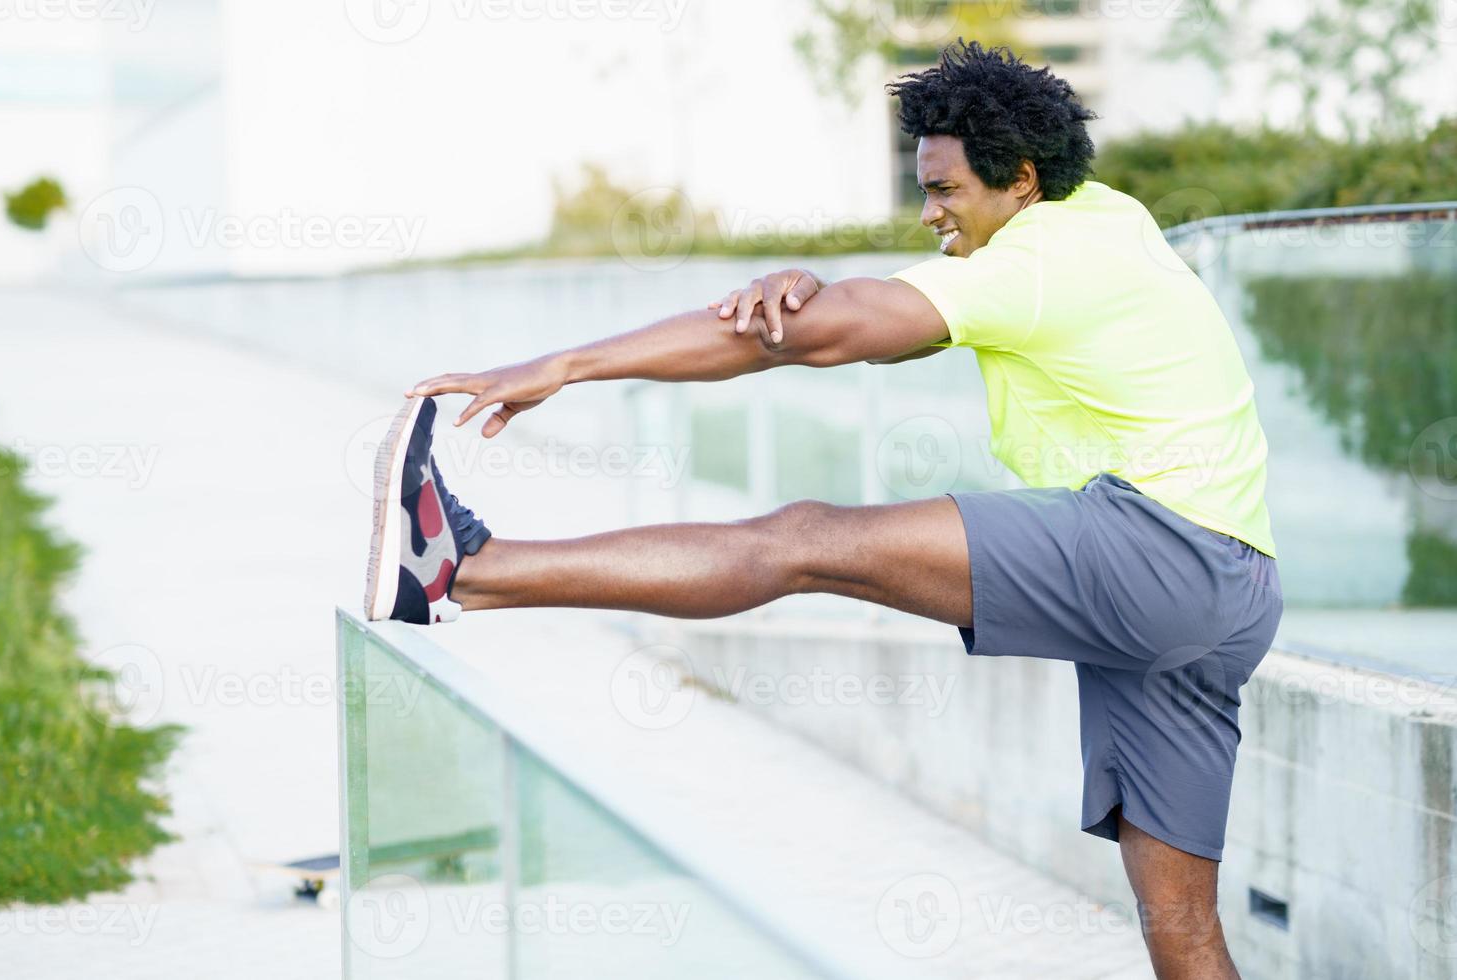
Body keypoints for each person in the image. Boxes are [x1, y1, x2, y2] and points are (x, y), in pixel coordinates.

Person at [363, 40, 1281, 980]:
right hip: (1232, 594)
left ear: (1023, 181)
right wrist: (819, 292)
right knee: (1182, 928)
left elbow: (808, 337)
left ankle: (462, 568)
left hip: (1166, 548)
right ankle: (462, 575)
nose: (929, 214)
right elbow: (866, 315)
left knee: (806, 541)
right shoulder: (1102, 221)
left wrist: (565, 366)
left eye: (946, 192)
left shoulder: (1041, 257)